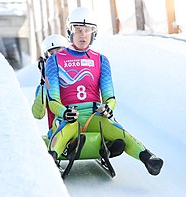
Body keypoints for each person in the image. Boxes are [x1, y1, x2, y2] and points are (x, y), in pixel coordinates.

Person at [45, 7, 163, 176]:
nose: (83, 35)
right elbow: (53, 100)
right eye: (78, 30)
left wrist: (108, 108)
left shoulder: (101, 60)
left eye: (88, 30)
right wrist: (64, 112)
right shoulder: (54, 60)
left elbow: (110, 96)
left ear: (94, 33)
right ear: (70, 31)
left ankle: (148, 158)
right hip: (69, 116)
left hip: (94, 114)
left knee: (116, 128)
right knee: (64, 131)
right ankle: (54, 158)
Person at [32, 34, 68, 132]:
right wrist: (45, 80)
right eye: (52, 55)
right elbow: (38, 114)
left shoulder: (78, 78)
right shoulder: (46, 85)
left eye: (59, 53)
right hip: (56, 132)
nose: (56, 59)